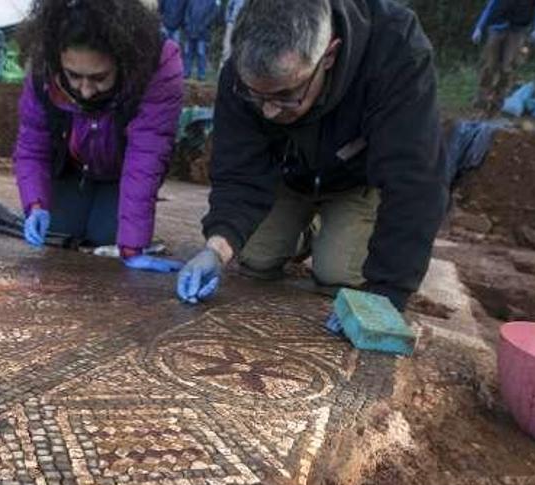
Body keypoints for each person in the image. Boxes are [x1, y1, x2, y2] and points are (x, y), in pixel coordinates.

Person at [175, 0, 448, 320]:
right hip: (288, 177)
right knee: (254, 257)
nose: (269, 112)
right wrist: (215, 250)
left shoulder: (396, 48)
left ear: (328, 55)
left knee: (338, 274)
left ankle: (331, 228)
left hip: (353, 180)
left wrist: (388, 291)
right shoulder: (240, 71)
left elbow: (414, 180)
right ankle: (302, 233)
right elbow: (239, 170)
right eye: (258, 96)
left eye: (286, 96)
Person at [14, 0, 186, 273]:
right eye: (73, 76)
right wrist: (35, 204)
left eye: (99, 77)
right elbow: (32, 144)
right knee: (59, 232)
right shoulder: (43, 66)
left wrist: (132, 247)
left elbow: (147, 153)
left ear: (122, 57)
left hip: (122, 171)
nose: (85, 91)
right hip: (72, 167)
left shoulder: (158, 62)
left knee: (106, 236)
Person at [471, 0, 535, 114]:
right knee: (490, 66)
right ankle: (481, 99)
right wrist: (479, 27)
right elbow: (491, 4)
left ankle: (497, 102)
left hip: (518, 29)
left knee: (507, 68)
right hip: (497, 24)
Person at [182, 0, 218, 81]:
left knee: (201, 54)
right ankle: (186, 73)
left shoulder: (211, 2)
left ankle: (201, 75)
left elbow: (213, 15)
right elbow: (187, 13)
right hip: (190, 31)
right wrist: (187, 24)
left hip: (203, 33)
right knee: (188, 53)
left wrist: (204, 25)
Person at [221, 0, 246, 66]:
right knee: (227, 49)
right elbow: (229, 8)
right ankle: (223, 69)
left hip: (244, 25)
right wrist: (228, 22)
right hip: (232, 23)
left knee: (242, 49)